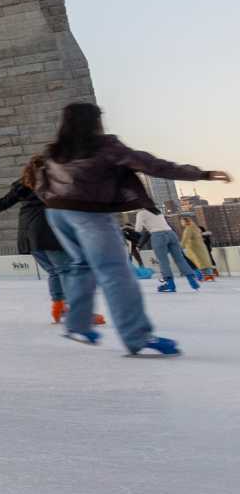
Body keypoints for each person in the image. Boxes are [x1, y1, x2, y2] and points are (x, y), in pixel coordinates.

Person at [28, 102, 230, 356]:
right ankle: (137, 336)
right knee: (116, 274)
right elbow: (152, 165)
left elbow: (39, 183)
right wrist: (202, 174)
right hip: (88, 214)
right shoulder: (105, 146)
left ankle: (77, 324)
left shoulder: (54, 152)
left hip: (57, 213)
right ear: (95, 121)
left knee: (81, 265)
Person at [0, 178, 105, 324]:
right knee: (66, 271)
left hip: (29, 235)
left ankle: (59, 307)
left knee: (55, 271)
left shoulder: (23, 186)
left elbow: (3, 203)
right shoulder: (53, 181)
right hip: (48, 231)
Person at [135, 208, 198, 293]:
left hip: (158, 236)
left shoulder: (141, 213)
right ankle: (192, 280)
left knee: (163, 260)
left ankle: (170, 284)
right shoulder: (156, 210)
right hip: (171, 233)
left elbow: (138, 229)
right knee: (180, 259)